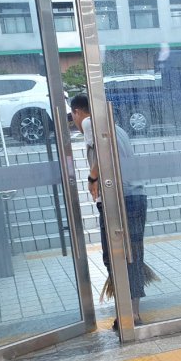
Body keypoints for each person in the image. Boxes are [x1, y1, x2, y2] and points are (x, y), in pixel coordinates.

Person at [69, 94, 148, 325]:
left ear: (77, 112)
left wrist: (92, 177)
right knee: (132, 255)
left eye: (73, 117)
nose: (76, 123)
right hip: (136, 196)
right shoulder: (118, 129)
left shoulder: (89, 122)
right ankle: (133, 312)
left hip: (119, 200)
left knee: (114, 256)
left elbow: (104, 151)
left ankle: (128, 314)